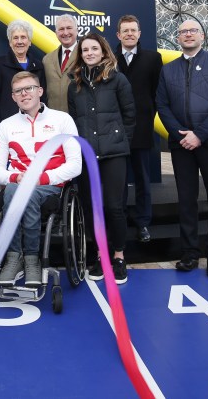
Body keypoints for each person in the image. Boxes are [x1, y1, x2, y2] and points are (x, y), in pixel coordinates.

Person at [156, 19, 208, 278]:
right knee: (186, 201)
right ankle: (189, 254)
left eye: (192, 31)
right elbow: (162, 106)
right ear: (177, 38)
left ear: (202, 35)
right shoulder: (168, 70)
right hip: (181, 146)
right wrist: (182, 136)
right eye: (182, 32)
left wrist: (199, 135)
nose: (187, 35)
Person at [0, 71, 81, 287]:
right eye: (18, 91)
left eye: (29, 88)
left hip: (50, 187)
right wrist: (16, 176)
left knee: (19, 191)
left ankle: (24, 258)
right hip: (17, 185)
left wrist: (40, 179)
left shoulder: (62, 120)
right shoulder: (6, 126)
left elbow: (75, 164)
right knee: (14, 189)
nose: (24, 94)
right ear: (13, 97)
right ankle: (22, 258)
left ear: (40, 91)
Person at [67, 32, 135, 284]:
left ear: (104, 51)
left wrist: (120, 140)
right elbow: (73, 122)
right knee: (92, 209)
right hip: (87, 157)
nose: (90, 53)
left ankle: (118, 256)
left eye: (94, 48)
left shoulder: (118, 80)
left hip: (114, 153)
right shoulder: (74, 85)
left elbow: (130, 116)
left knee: (114, 207)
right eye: (85, 50)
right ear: (81, 54)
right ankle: (100, 255)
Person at [114, 15, 163, 243]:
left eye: (133, 30)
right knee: (119, 181)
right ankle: (120, 222)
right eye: (125, 31)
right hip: (115, 131)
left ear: (139, 33)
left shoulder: (154, 59)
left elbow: (157, 95)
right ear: (119, 35)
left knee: (143, 179)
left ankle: (143, 223)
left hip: (142, 130)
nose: (130, 34)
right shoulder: (109, 59)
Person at [0, 19, 47, 140]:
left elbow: (43, 99)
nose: (19, 41)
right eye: (15, 38)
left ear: (29, 42)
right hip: (8, 129)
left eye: (23, 37)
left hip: (34, 129)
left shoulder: (39, 66)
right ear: (10, 42)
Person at [43, 14, 78, 113]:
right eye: (61, 29)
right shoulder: (47, 59)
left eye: (69, 28)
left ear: (77, 30)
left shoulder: (86, 55)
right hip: (53, 120)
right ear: (56, 33)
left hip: (79, 119)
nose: (65, 32)